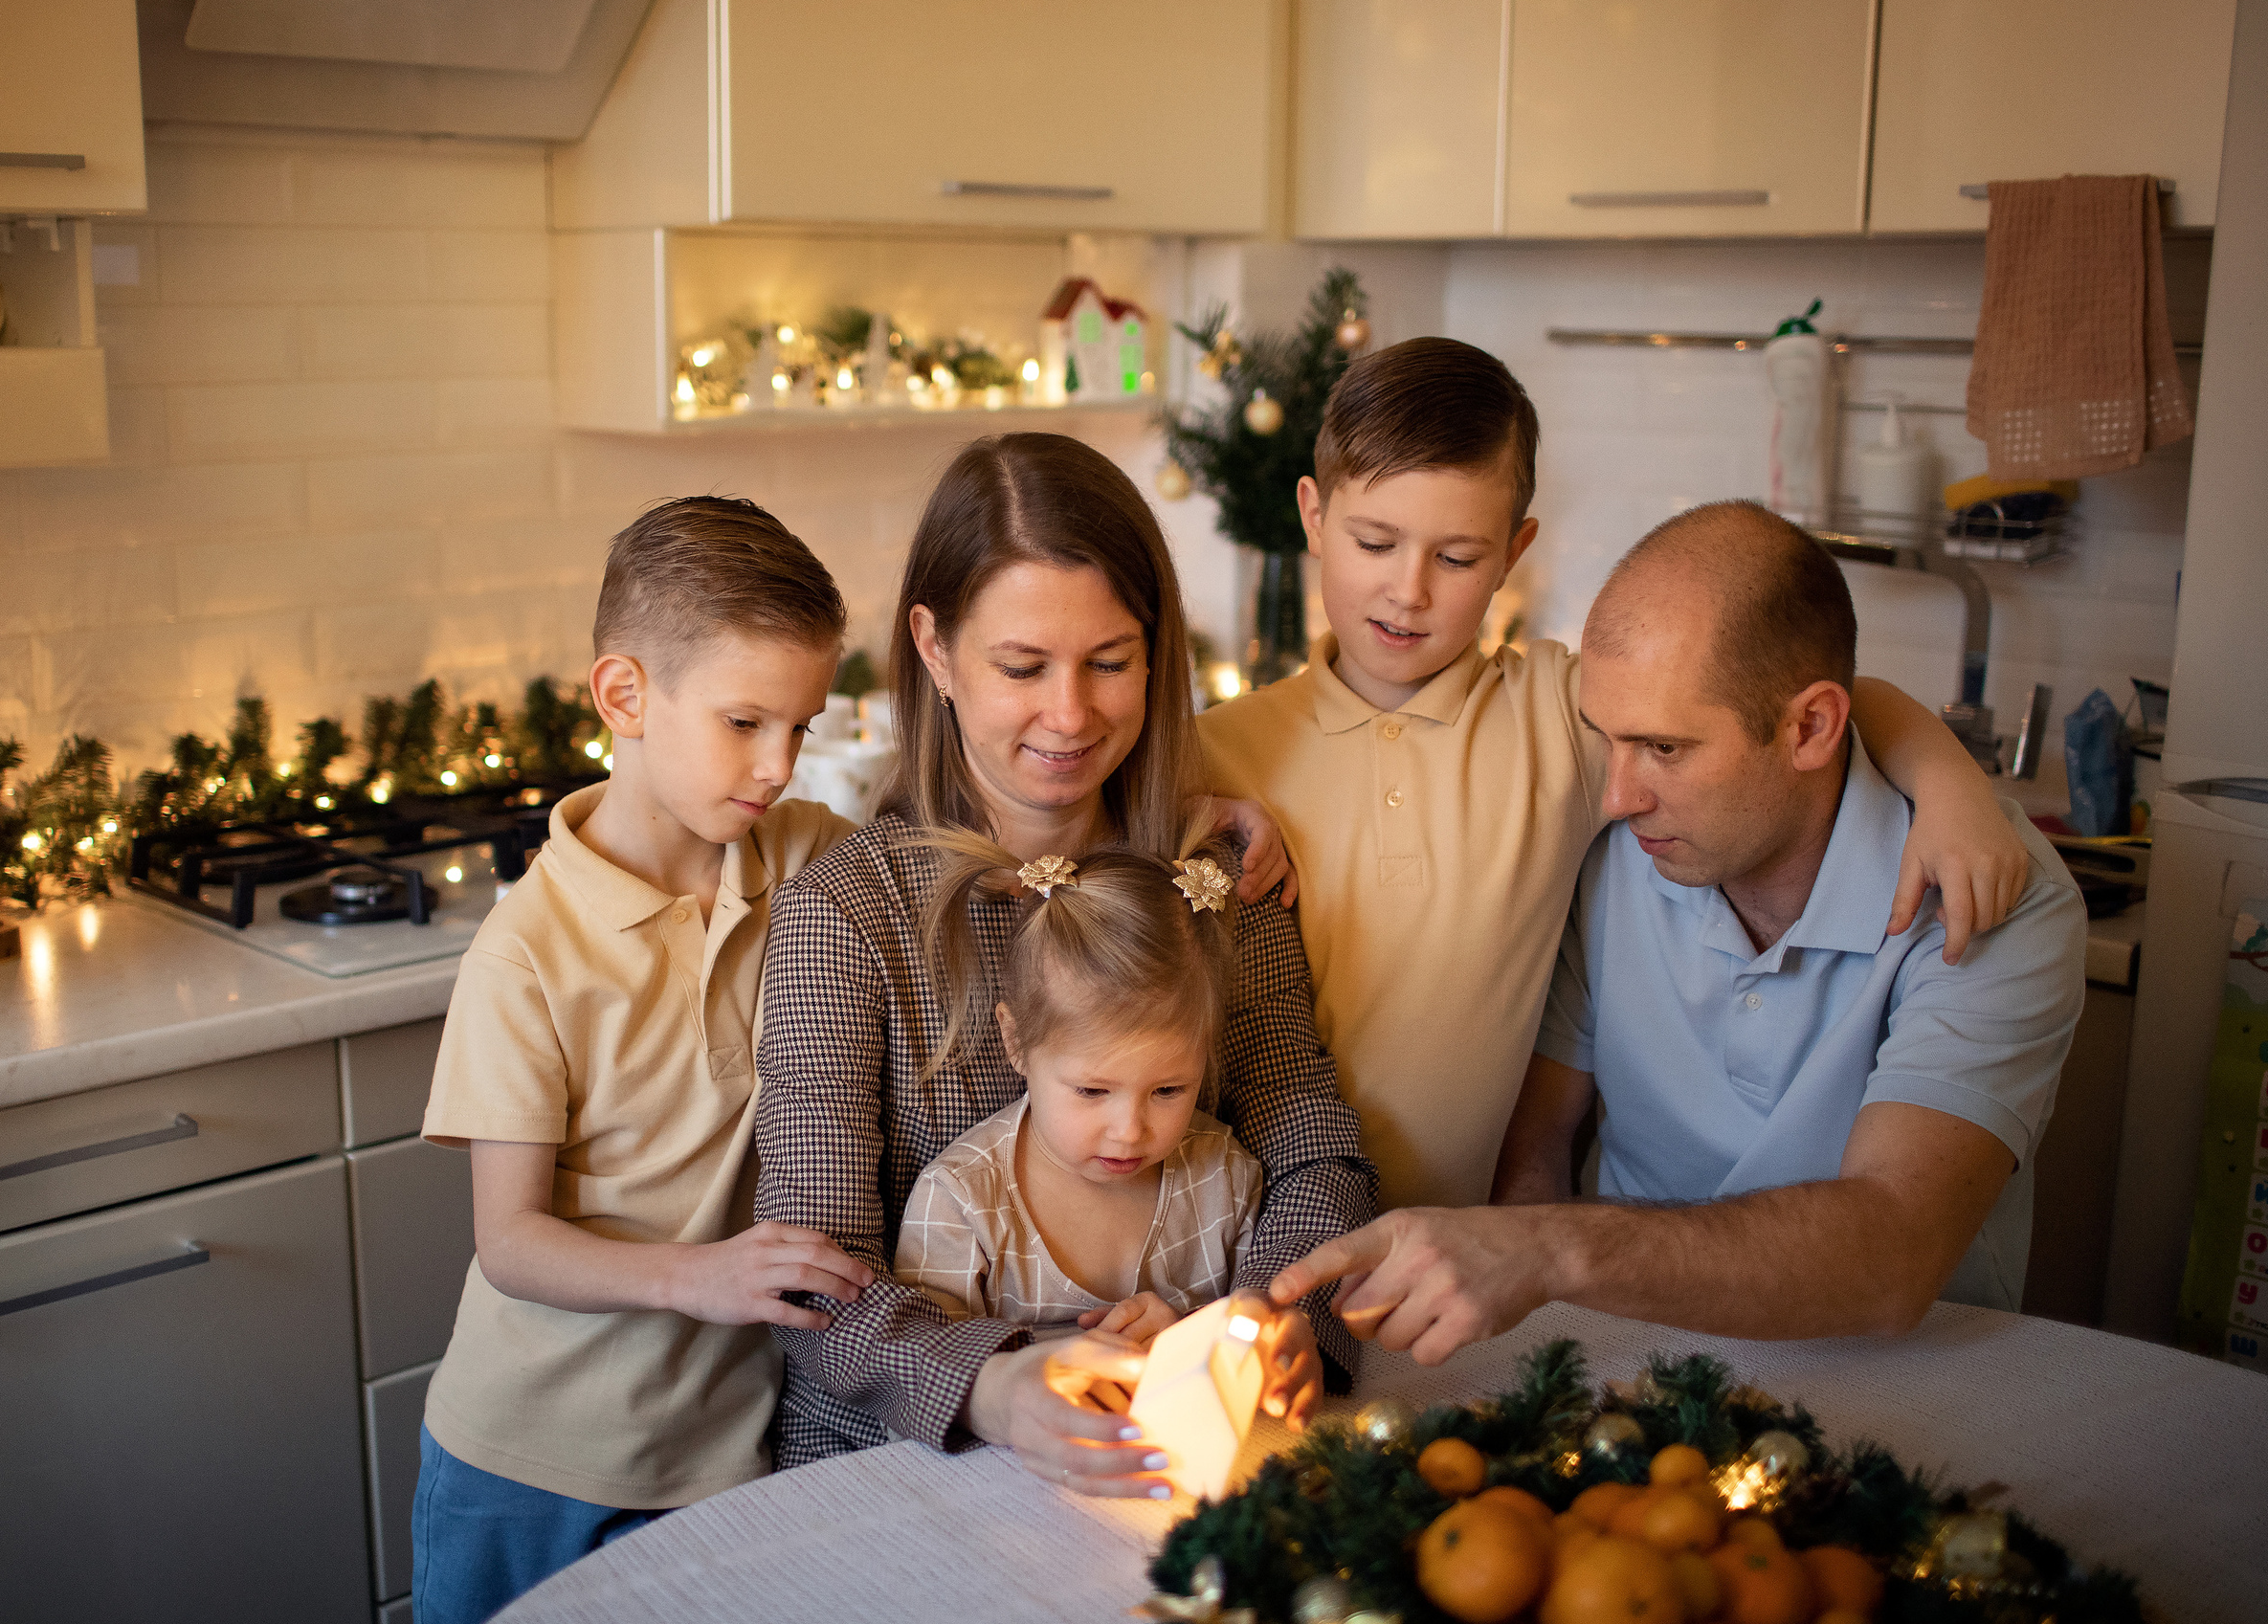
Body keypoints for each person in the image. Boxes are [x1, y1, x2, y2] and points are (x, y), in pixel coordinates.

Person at [1198, 338, 2038, 1214]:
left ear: (1514, 551)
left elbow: (1794, 703)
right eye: (1375, 542)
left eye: (1456, 559)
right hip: (1249, 1243)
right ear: (1313, 514)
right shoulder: (1220, 750)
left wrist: (1952, 790)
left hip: (1453, 1261)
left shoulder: (1563, 716)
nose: (1408, 590)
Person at [1267, 501, 2085, 1362]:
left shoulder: (1992, 899)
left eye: (1664, 749)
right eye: (1607, 741)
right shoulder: (1616, 852)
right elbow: (1535, 1142)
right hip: (1629, 1364)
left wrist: (1550, 1250)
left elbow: (1895, 1248)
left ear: (1810, 727)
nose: (1618, 794)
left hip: (1909, 1395)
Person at [754, 433, 1376, 1502]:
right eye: (1021, 665)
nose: (1072, 713)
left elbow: (1314, 1151)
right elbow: (813, 1274)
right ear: (936, 650)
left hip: (1177, 1443)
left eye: (1110, 660)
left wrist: (1270, 1319)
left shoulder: (1214, 881)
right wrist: (992, 1385)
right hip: (899, 1469)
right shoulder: (846, 916)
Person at [409, 498, 876, 1624]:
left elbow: (989, 847)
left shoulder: (804, 857)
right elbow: (512, 1242)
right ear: (625, 697)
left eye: (800, 726)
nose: (778, 764)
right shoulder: (526, 951)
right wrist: (698, 1273)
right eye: (743, 721)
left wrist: (1194, 809)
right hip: (528, 1465)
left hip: (726, 1454)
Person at [894, 815, 1308, 1391]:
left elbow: (1248, 1346)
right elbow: (927, 1369)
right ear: (1016, 1042)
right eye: (1092, 1091)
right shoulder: (962, 1203)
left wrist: (1190, 1335)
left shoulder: (1225, 1178)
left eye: (1169, 1090)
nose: (1130, 1131)